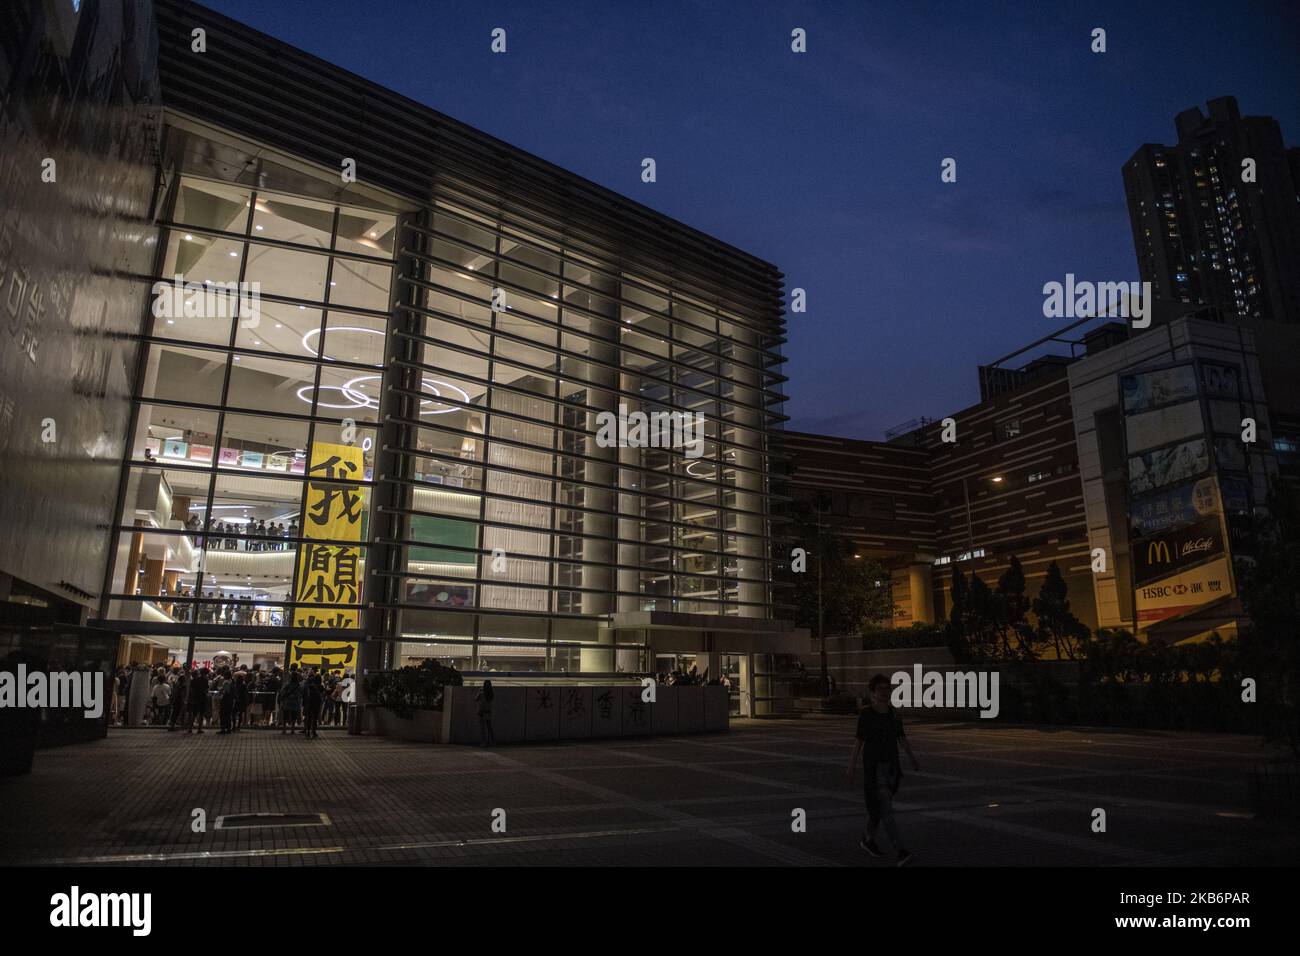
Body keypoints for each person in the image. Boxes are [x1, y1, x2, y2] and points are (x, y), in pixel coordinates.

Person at [846, 673, 919, 866]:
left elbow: (902, 738)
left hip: (892, 768)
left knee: (877, 809)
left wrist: (912, 758)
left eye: (887, 689)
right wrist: (851, 766)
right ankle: (900, 850)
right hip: (874, 768)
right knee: (886, 809)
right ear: (873, 692)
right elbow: (858, 742)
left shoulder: (894, 714)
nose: (885, 693)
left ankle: (867, 839)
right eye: (880, 689)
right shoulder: (867, 714)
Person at [187, 667, 210, 734]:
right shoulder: (205, 680)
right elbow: (206, 690)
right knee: (201, 714)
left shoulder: (194, 680)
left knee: (194, 714)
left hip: (195, 698)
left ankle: (190, 729)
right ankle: (199, 729)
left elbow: (191, 690)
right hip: (202, 698)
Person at [303, 670, 324, 739]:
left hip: (309, 702)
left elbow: (305, 693)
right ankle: (314, 731)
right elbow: (325, 693)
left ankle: (308, 731)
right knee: (315, 718)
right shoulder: (321, 686)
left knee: (309, 717)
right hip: (317, 703)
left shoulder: (310, 686)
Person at [475, 680, 495, 747]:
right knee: (489, 727)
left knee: (482, 728)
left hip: (481, 711)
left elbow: (475, 699)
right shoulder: (491, 693)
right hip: (488, 711)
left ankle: (484, 742)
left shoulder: (481, 693)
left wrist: (479, 691)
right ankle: (492, 741)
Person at [218, 668, 237, 734]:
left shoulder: (226, 682)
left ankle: (223, 729)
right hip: (230, 700)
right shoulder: (232, 681)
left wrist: (221, 692)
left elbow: (226, 692)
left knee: (223, 715)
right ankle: (228, 728)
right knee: (228, 715)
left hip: (225, 700)